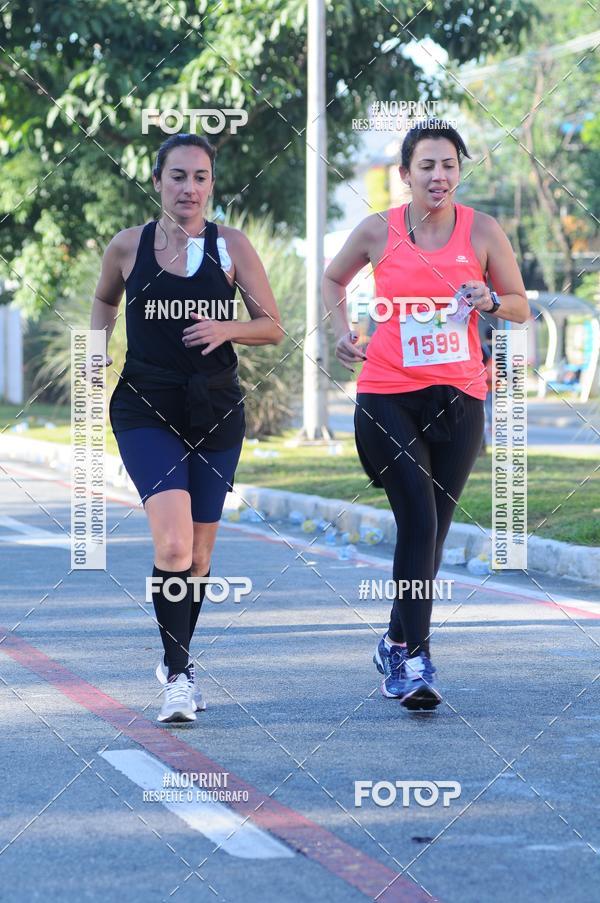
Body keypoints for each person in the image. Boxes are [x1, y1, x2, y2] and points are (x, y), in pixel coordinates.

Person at [323, 120, 529, 710]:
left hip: (460, 396)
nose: (439, 176)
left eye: (449, 166)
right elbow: (334, 278)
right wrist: (344, 333)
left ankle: (394, 638)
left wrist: (492, 300)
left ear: (459, 171)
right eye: (427, 166)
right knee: (417, 518)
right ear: (405, 174)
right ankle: (416, 660)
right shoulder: (377, 231)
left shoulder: (483, 231)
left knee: (433, 531)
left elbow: (518, 306)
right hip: (387, 392)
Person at [90, 134, 283, 723]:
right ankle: (177, 677)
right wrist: (95, 351)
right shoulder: (129, 247)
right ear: (157, 181)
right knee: (172, 544)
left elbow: (272, 326)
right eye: (178, 176)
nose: (189, 188)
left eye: (200, 177)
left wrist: (227, 330)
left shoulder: (231, 248)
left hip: (216, 408)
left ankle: (179, 657)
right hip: (145, 406)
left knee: (198, 557)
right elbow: (103, 302)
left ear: (212, 186)